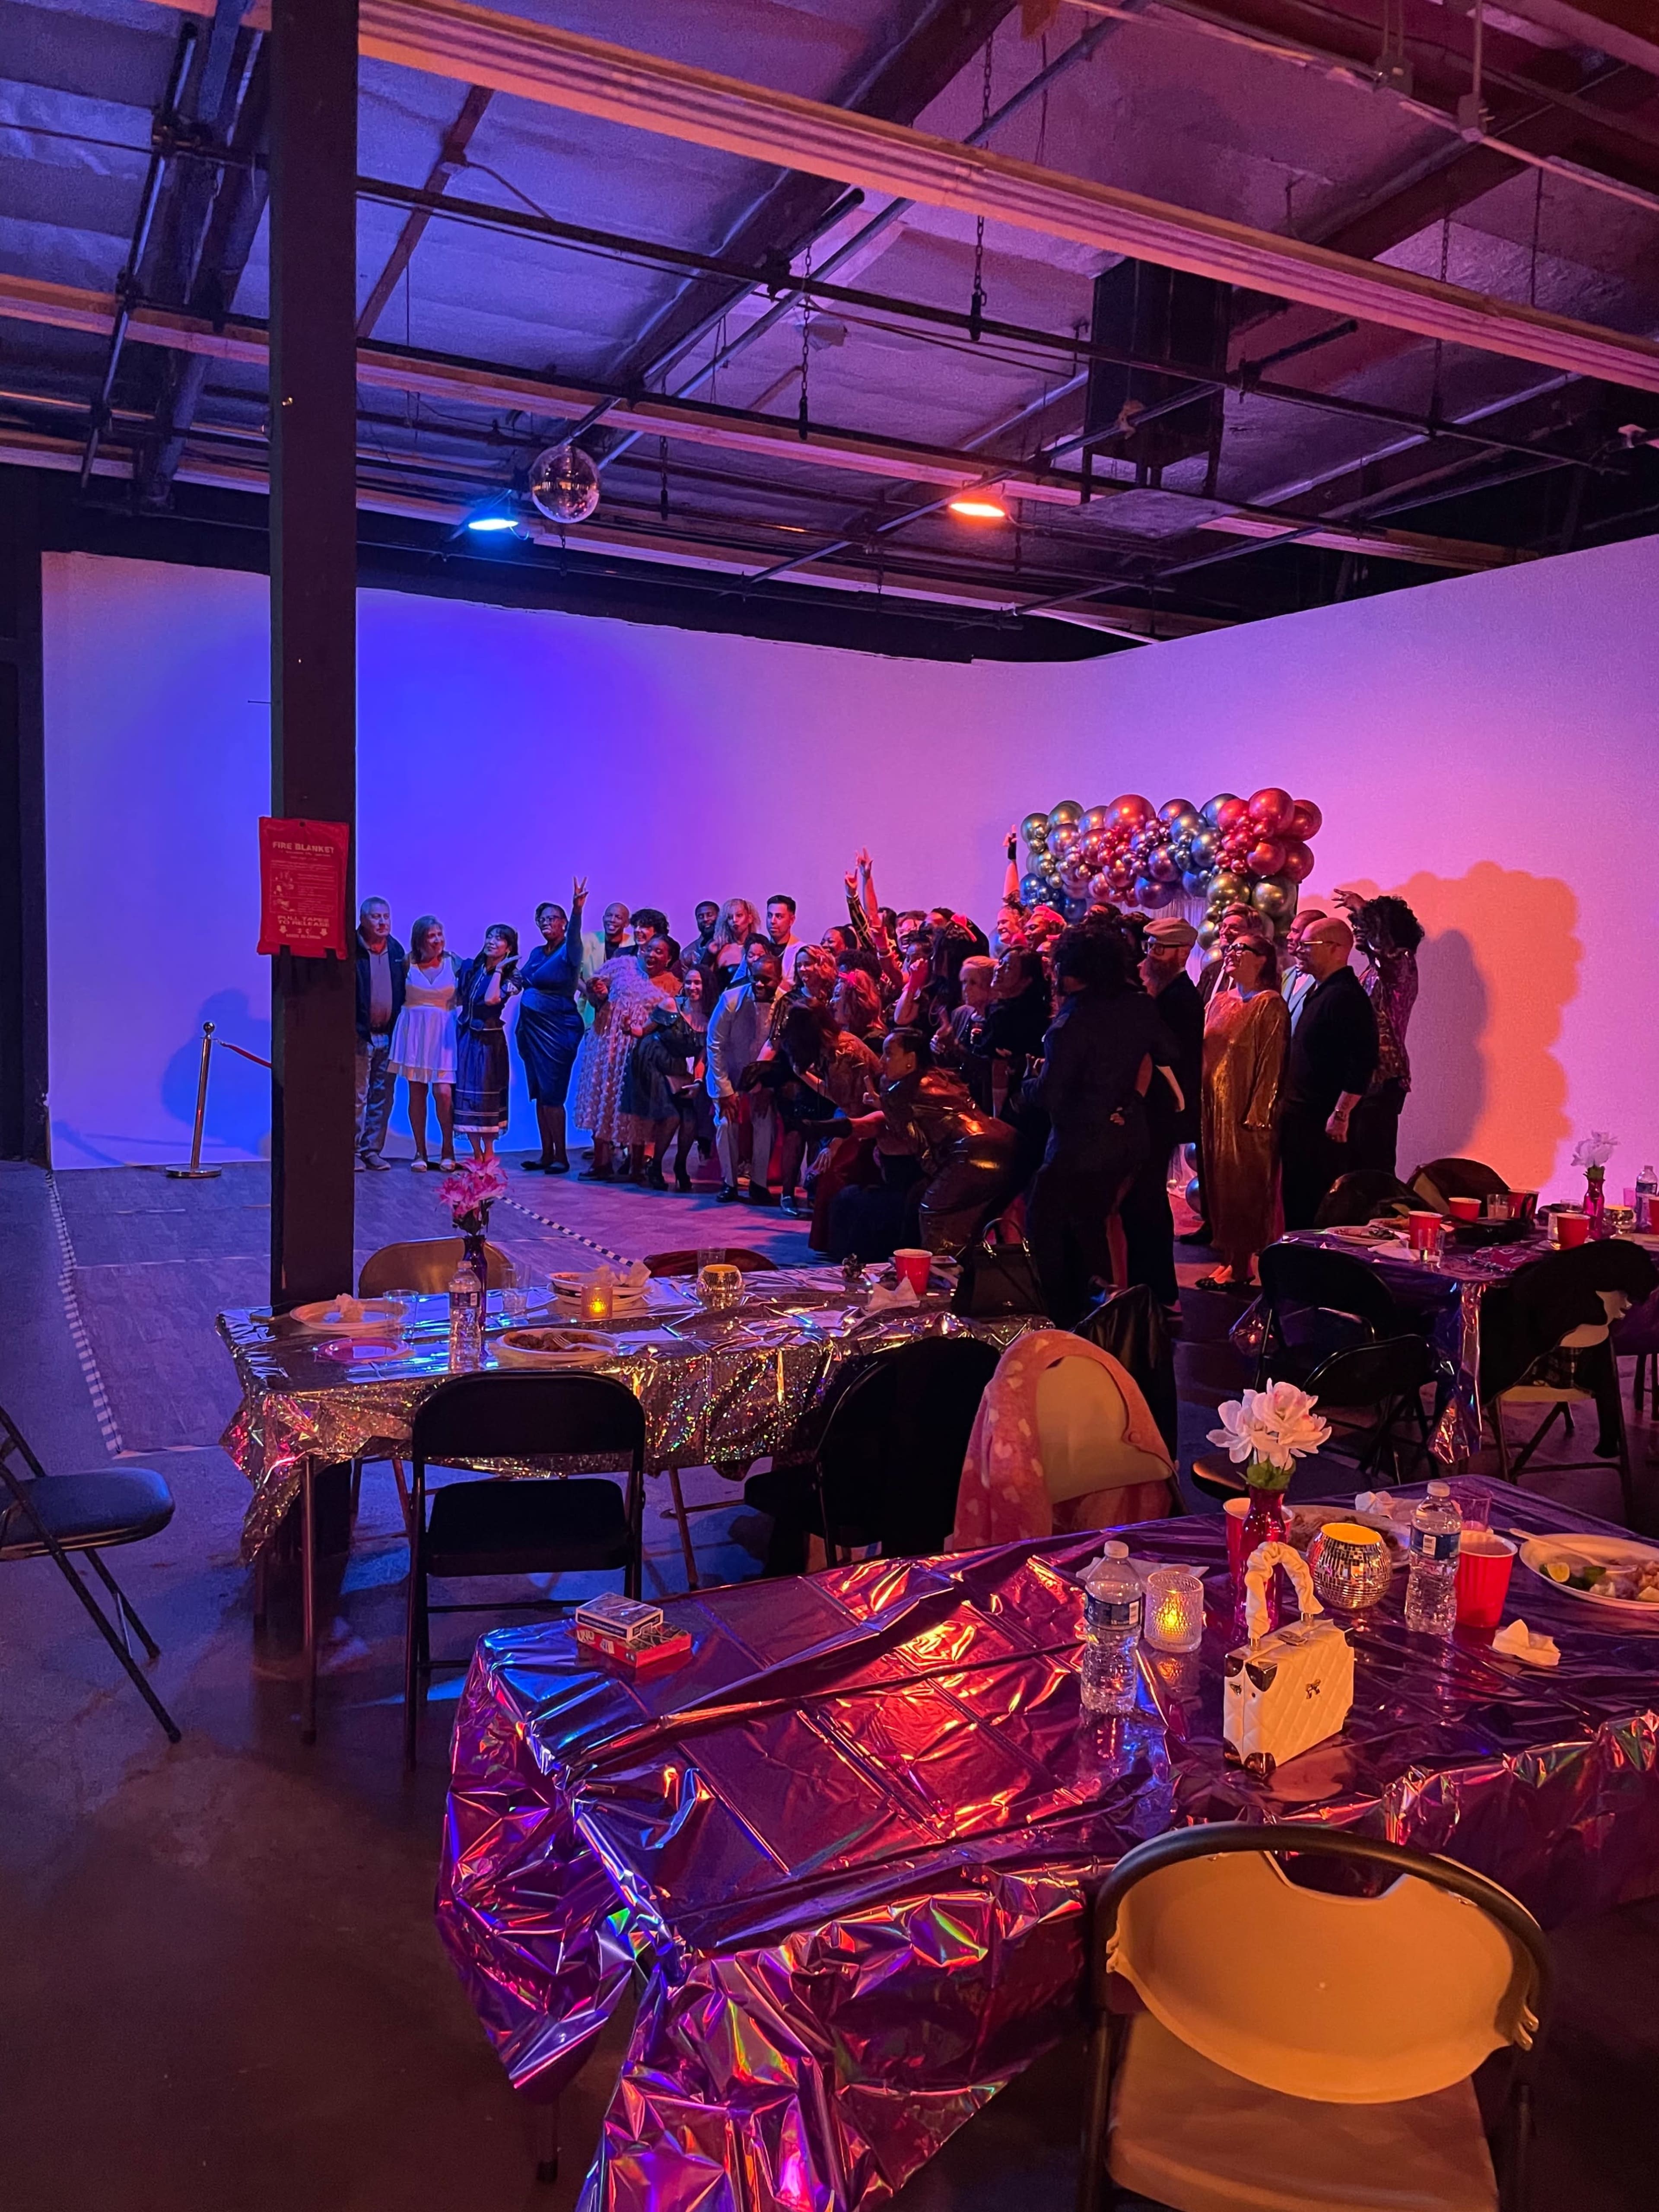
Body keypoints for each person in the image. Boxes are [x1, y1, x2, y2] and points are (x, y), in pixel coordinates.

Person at [1024, 925, 1176, 1328]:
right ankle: (1100, 1318)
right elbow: (1167, 1050)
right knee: (1091, 1225)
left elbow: (1051, 1094)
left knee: (1047, 1228)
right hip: (1126, 1136)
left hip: (1079, 1143)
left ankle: (1060, 1320)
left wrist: (1027, 1082)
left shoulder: (1072, 1019)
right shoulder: (1138, 1005)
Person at [823, 1027, 1018, 1262]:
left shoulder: (899, 1091)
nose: (882, 1062)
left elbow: (920, 1148)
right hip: (1012, 1145)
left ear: (911, 1060)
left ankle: (940, 1277)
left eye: (889, 1054)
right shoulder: (941, 1077)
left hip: (974, 1156)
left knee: (932, 1213)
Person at [1121, 915, 1203, 1321]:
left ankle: (1161, 1291)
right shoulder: (1162, 991)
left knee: (1148, 1200)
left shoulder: (1181, 997)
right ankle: (1148, 1287)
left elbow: (1171, 1056)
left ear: (1182, 953)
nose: (1149, 956)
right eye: (1148, 947)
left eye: (1159, 949)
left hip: (1162, 1111)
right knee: (1142, 1199)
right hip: (1153, 1110)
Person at [1198, 933, 1290, 1291]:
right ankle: (1227, 1259)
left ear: (1262, 959)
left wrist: (1260, 1113)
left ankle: (1241, 1265)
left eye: (1242, 949)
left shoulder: (1269, 1005)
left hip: (1246, 1112)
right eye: (1231, 947)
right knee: (1219, 1184)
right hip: (1214, 1109)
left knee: (1243, 1186)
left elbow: (1271, 1064)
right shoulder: (1220, 1001)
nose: (1232, 953)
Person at [1281, 916, 1379, 1230]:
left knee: (1315, 1205)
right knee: (1296, 1202)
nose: (1300, 950)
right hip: (1301, 1117)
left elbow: (1363, 1061)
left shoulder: (1346, 996)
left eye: (1308, 945)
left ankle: (1311, 1260)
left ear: (1336, 949)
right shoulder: (1321, 991)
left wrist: (1341, 1114)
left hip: (1321, 1125)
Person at [1339, 890, 1424, 1176]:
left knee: (1373, 1166)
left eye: (1364, 924)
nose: (1357, 930)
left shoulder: (1401, 963)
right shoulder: (1369, 972)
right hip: (1364, 1078)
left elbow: (1385, 951)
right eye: (1356, 924)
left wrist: (1364, 909)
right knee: (1353, 1166)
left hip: (1383, 1078)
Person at [515, 880, 587, 1173]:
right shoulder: (536, 953)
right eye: (542, 920)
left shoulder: (570, 951)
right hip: (532, 1032)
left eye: (552, 919)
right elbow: (522, 979)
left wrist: (577, 910)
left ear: (564, 923)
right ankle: (546, 1154)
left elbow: (575, 936)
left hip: (558, 1029)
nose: (546, 923)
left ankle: (561, 1157)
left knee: (554, 1095)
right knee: (541, 1094)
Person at [569, 940, 656, 1179]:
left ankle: (636, 1165)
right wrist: (598, 993)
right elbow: (595, 996)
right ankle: (602, 1162)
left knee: (636, 1107)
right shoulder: (621, 964)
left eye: (648, 929)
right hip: (607, 1043)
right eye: (639, 927)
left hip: (640, 1047)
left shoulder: (669, 978)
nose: (642, 935)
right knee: (602, 1100)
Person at [707, 943, 783, 1205]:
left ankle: (759, 1185)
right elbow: (715, 1044)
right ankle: (729, 1183)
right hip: (730, 1070)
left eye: (766, 980)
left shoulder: (785, 1002)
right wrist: (725, 1089)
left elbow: (781, 1048)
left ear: (779, 979)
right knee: (726, 1123)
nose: (759, 984)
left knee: (765, 1124)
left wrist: (766, 1086)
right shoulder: (731, 999)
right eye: (756, 978)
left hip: (764, 1075)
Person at [619, 935, 698, 1186]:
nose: (693, 988)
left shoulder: (709, 1016)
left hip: (676, 1069)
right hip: (652, 1062)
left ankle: (680, 1167)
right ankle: (652, 1166)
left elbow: (703, 1054)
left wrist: (698, 1082)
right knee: (670, 1116)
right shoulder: (672, 1005)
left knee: (690, 1119)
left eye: (698, 983)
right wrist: (629, 1029)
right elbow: (645, 1030)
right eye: (689, 983)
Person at [388, 913, 459, 1172]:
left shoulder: (454, 962)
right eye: (432, 936)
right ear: (420, 940)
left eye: (440, 934)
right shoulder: (407, 963)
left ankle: (448, 1149)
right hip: (415, 1032)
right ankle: (420, 1151)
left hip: (443, 1031)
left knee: (443, 1093)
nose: (438, 940)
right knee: (417, 1093)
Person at [453, 923, 520, 1160]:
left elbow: (492, 999)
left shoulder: (514, 977)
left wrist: (500, 970)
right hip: (466, 1039)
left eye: (499, 939)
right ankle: (476, 1153)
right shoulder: (473, 967)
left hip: (490, 1043)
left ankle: (489, 1152)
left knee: (487, 1096)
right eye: (489, 936)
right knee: (466, 1094)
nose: (492, 941)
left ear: (509, 948)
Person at [353, 896, 407, 1171]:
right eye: (376, 917)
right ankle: (350, 1151)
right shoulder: (351, 950)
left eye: (386, 917)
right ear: (363, 920)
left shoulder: (396, 950)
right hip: (359, 1036)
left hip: (389, 1036)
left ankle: (372, 1150)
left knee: (383, 1096)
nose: (383, 922)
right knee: (356, 1097)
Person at [1281, 907, 1328, 1027]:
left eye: (1296, 931)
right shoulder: (1286, 975)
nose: (1289, 937)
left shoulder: (1324, 979)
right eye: (1291, 930)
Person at [765, 894, 807, 985]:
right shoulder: (759, 947)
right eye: (769, 915)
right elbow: (738, 982)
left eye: (779, 917)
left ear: (792, 920)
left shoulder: (802, 951)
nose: (772, 921)